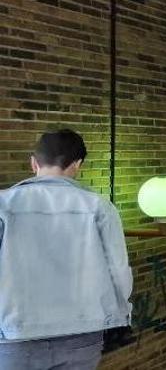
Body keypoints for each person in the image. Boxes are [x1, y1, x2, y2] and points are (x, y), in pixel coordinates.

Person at [0, 129, 132, 370]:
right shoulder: (100, 207)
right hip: (82, 334)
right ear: (77, 164)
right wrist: (120, 316)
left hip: (14, 336)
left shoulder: (3, 204)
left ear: (33, 163)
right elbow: (118, 271)